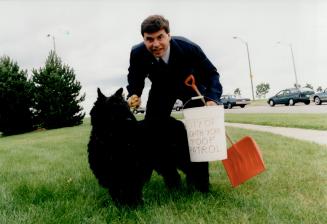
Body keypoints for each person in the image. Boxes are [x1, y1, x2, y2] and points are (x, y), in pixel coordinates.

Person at [126, 15, 223, 192]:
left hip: (190, 86)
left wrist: (212, 99)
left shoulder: (188, 48)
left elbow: (212, 74)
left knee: (198, 134)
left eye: (160, 37)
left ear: (168, 35)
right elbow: (135, 78)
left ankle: (200, 181)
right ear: (144, 39)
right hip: (161, 89)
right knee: (153, 129)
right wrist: (134, 94)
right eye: (149, 39)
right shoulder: (138, 53)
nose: (155, 44)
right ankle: (170, 175)